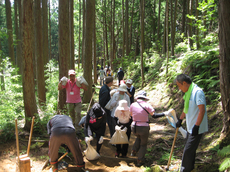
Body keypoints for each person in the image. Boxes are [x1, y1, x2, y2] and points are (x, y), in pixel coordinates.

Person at [129, 90, 172, 167]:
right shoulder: (147, 105)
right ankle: (140, 160)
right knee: (143, 144)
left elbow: (131, 115)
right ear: (144, 98)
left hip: (134, 126)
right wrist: (165, 113)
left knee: (138, 137)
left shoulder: (132, 105)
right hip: (143, 127)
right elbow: (154, 115)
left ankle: (134, 151)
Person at [175, 74, 208, 172]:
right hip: (190, 126)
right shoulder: (188, 93)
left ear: (184, 83)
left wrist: (196, 126)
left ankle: (184, 169)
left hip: (196, 127)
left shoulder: (197, 92)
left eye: (179, 86)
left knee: (188, 150)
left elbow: (202, 110)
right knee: (190, 149)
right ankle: (190, 168)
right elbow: (186, 108)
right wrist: (180, 120)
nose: (179, 88)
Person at [58, 69, 88, 134]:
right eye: (71, 76)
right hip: (69, 102)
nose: (72, 77)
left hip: (78, 101)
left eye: (73, 76)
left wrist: (82, 82)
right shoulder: (67, 83)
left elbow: (85, 88)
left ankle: (78, 129)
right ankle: (73, 126)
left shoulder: (78, 82)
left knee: (78, 114)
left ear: (75, 76)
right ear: (69, 76)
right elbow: (59, 88)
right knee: (72, 115)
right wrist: (60, 81)